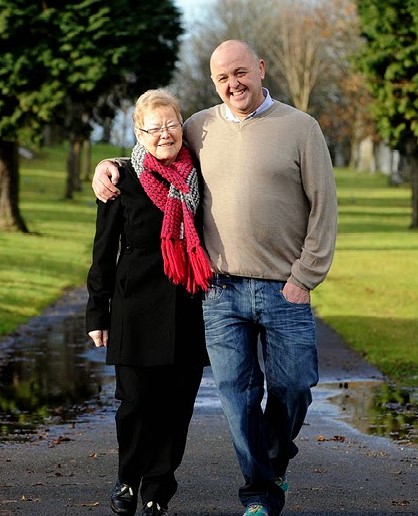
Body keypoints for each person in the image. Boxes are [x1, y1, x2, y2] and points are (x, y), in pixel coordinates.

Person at [91, 40, 338, 516]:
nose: (233, 84)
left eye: (241, 73)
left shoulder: (301, 128)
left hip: (284, 286)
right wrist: (110, 167)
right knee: (235, 398)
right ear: (213, 84)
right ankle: (260, 492)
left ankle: (275, 459)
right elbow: (154, 149)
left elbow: (325, 209)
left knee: (293, 387)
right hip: (219, 290)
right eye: (222, 78)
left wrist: (304, 278)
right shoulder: (200, 126)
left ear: (261, 69)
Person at [85, 88, 212, 516]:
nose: (164, 134)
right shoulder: (121, 180)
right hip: (133, 308)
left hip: (187, 306)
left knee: (176, 409)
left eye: (172, 124)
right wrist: (96, 312)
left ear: (184, 127)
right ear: (138, 133)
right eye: (154, 127)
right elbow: (103, 251)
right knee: (136, 404)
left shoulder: (200, 175)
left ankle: (158, 489)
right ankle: (127, 477)